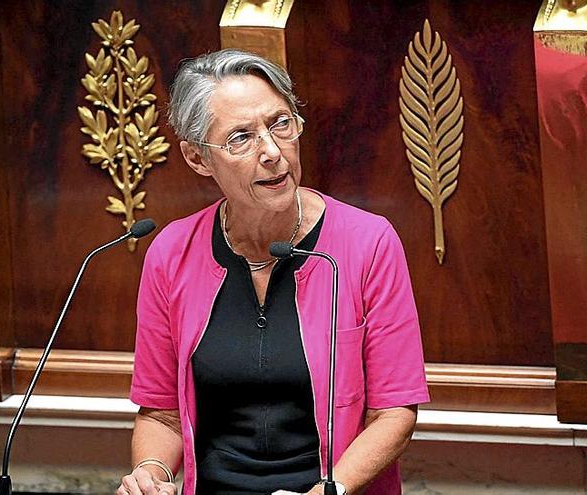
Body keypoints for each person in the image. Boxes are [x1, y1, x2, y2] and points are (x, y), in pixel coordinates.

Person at [117, 49, 429, 495]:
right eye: (241, 137)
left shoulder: (368, 243)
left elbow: (394, 412)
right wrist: (151, 474)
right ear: (198, 158)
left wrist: (327, 492)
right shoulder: (171, 252)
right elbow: (161, 412)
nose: (271, 151)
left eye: (280, 123)